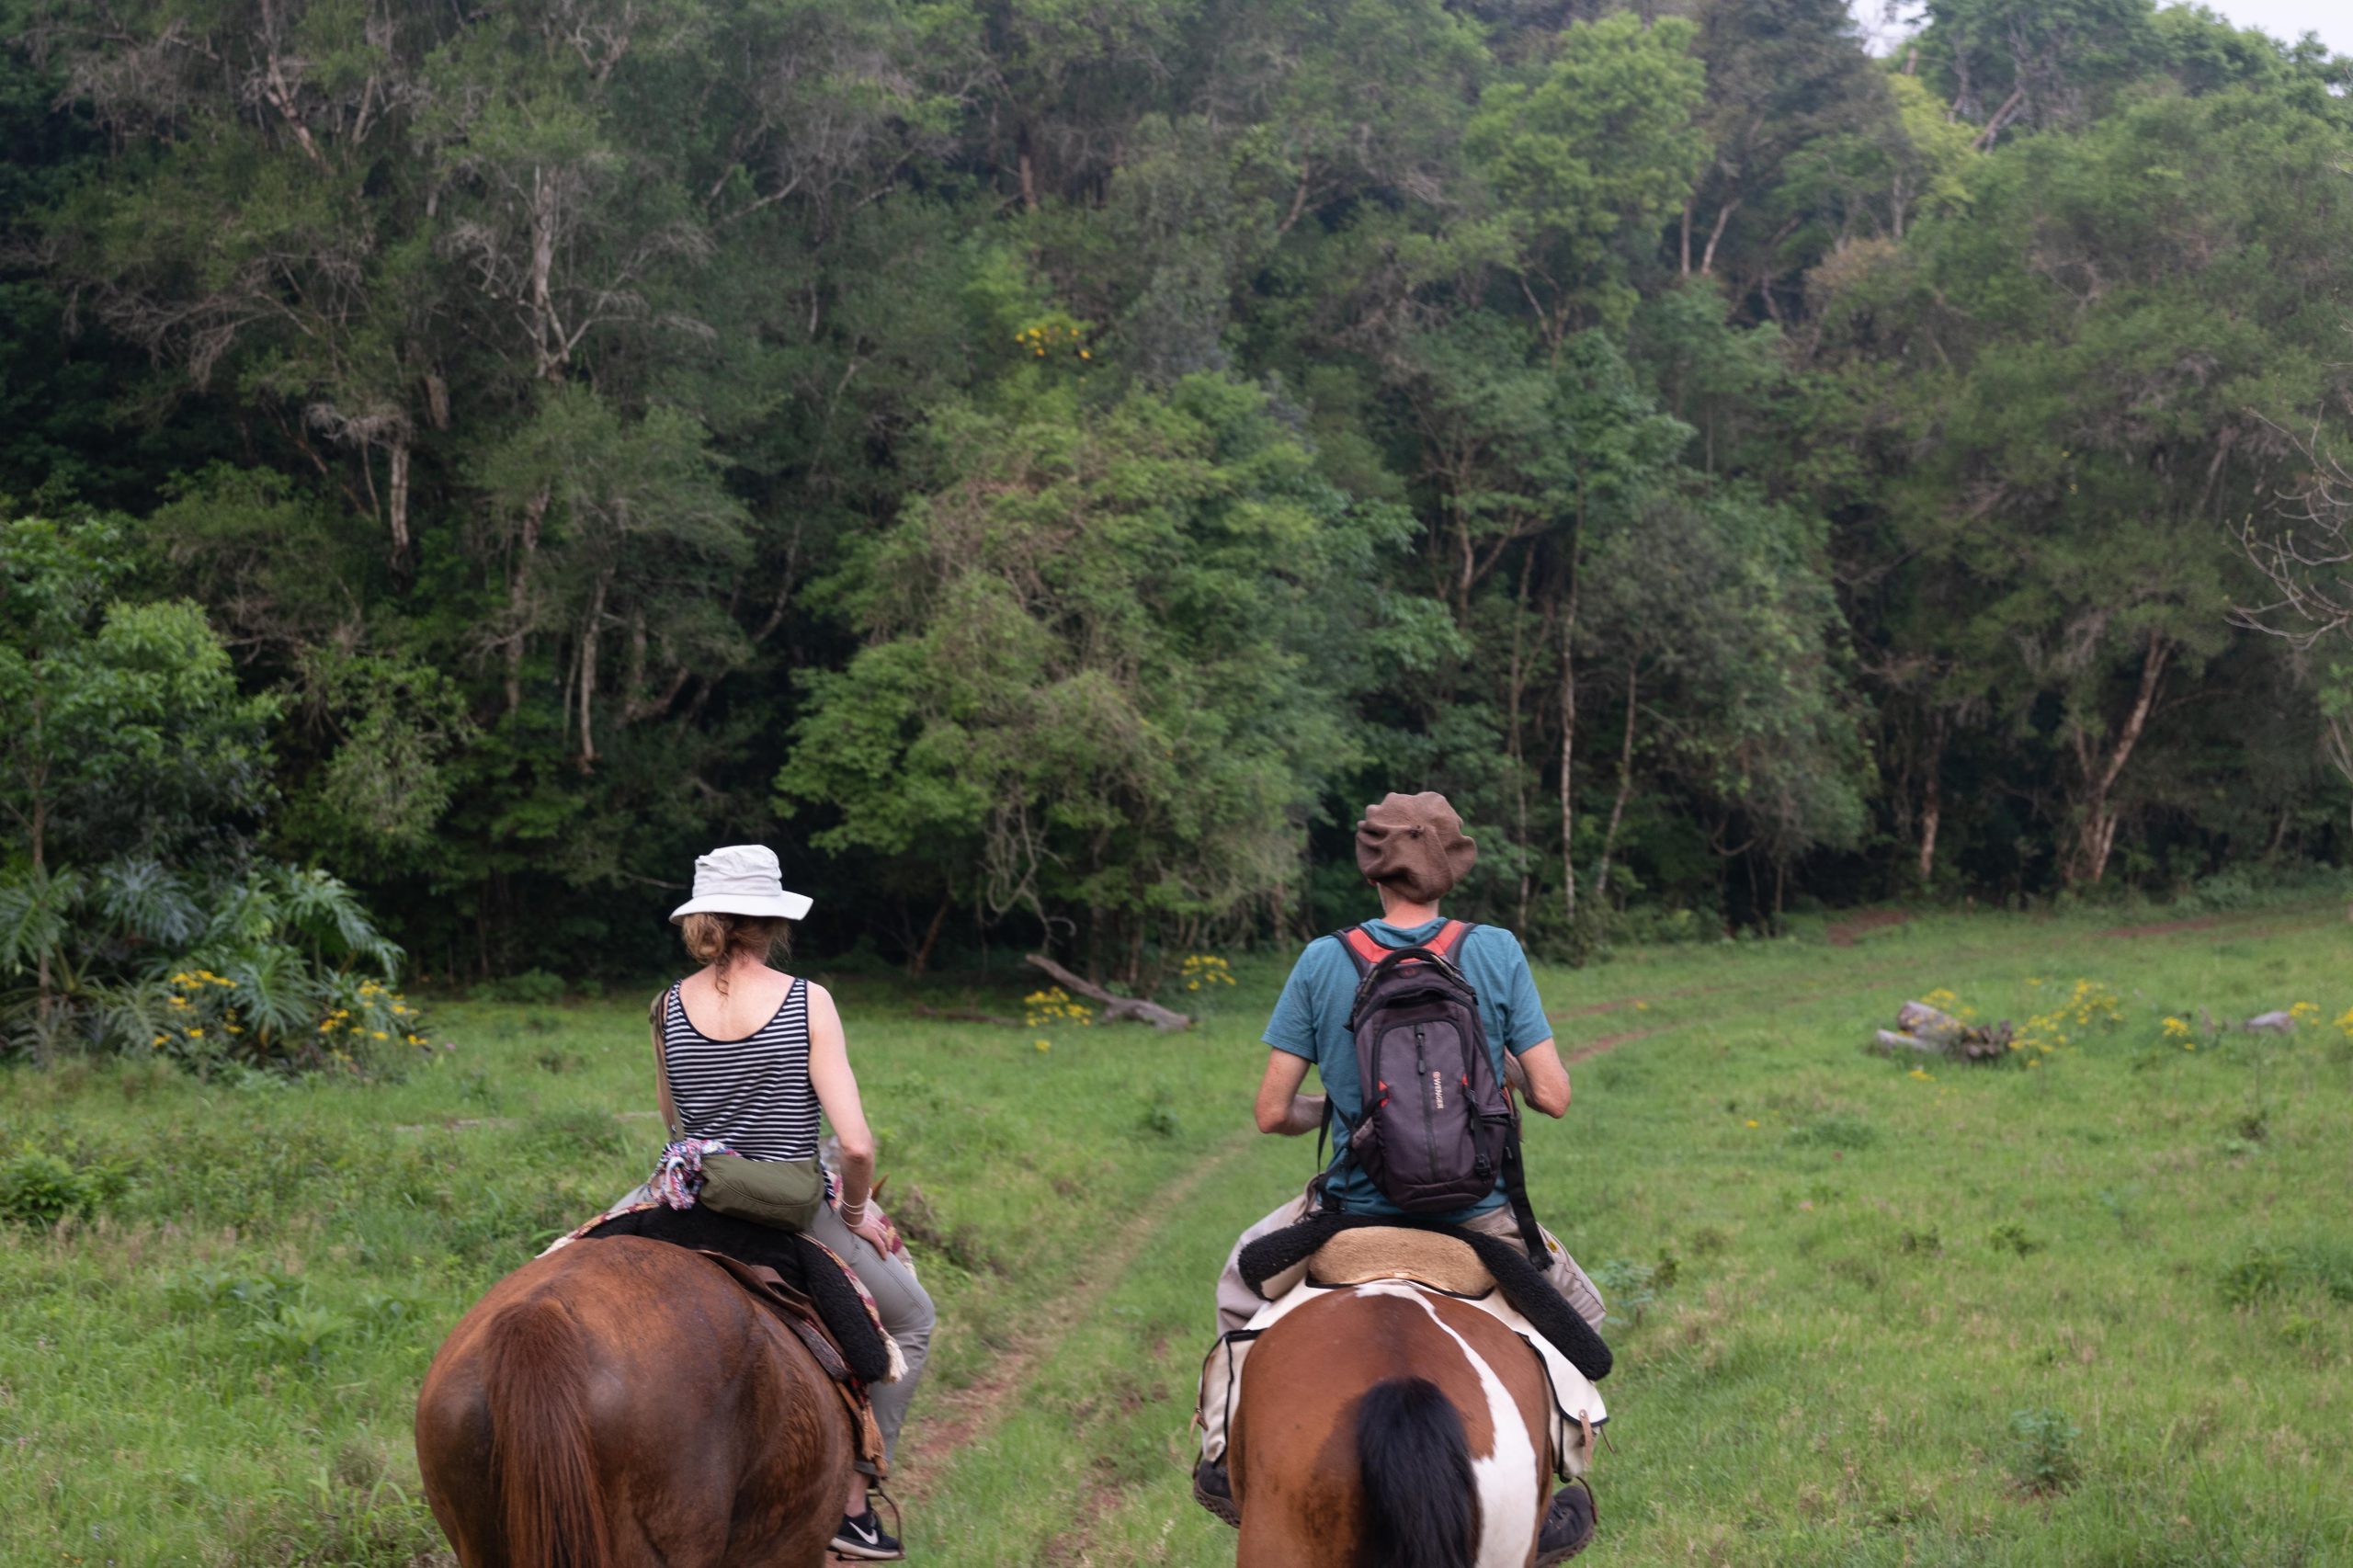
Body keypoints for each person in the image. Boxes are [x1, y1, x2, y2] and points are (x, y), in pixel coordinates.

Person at [1191, 792, 1605, 1559]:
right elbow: (1552, 1095)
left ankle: (1221, 1456)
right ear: (1450, 868)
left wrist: (1342, 1111)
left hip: (1350, 1217)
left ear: (1373, 870)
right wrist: (1492, 1064)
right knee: (1581, 1309)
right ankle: (1557, 1482)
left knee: (1238, 1286)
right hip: (1478, 1220)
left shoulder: (1324, 959)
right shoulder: (1495, 951)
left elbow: (1270, 1112)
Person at [661, 845, 933, 1562]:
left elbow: (676, 1130)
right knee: (913, 1320)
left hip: (692, 1198)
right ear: (771, 921)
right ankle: (852, 1501)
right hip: (787, 1203)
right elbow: (858, 1149)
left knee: (572, 1255)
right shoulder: (806, 1000)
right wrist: (852, 1214)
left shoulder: (664, 1007)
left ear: (703, 921)